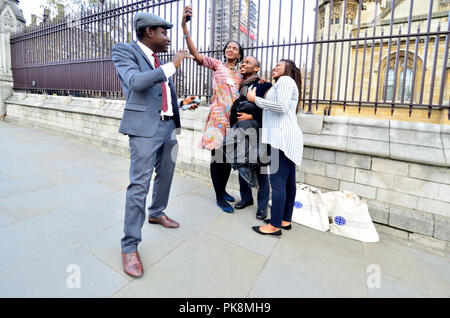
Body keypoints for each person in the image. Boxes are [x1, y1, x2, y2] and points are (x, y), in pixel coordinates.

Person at [112, 12, 193, 278]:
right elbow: (134, 82)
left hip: (168, 126)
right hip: (145, 130)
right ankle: (130, 246)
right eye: (164, 32)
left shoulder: (158, 61)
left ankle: (157, 212)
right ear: (149, 32)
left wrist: (181, 104)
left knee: (167, 174)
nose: (168, 38)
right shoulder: (125, 51)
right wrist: (172, 66)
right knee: (139, 184)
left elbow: (161, 95)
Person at [182, 5, 243, 213]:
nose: (230, 49)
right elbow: (197, 55)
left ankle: (223, 190)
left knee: (227, 158)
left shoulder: (241, 75)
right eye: (228, 47)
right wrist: (185, 28)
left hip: (233, 121)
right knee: (218, 157)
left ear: (240, 54)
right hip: (218, 117)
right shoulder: (217, 64)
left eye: (234, 48)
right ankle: (219, 197)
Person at [247, 59, 303, 237]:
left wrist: (255, 99)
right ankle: (284, 220)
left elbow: (281, 106)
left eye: (278, 65)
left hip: (282, 139)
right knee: (288, 182)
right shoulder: (282, 83)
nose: (274, 67)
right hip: (286, 138)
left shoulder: (286, 81)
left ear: (288, 69)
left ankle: (274, 225)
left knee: (278, 183)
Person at [227, 56, 272, 220]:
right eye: (243, 62)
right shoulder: (237, 84)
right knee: (241, 163)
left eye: (248, 63)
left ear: (256, 69)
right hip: (239, 131)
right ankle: (246, 198)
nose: (243, 64)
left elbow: (269, 110)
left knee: (260, 168)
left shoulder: (264, 85)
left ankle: (262, 206)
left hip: (257, 132)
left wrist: (251, 116)